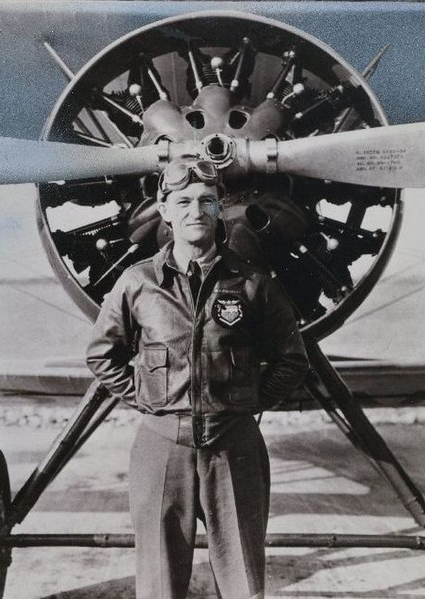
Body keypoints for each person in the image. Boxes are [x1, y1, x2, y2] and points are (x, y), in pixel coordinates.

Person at [86, 159, 309, 599]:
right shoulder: (137, 283)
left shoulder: (252, 283)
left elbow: (291, 359)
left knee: (243, 578)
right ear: (164, 209)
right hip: (161, 448)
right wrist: (150, 400)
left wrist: (248, 402)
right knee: (159, 581)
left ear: (220, 208)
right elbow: (101, 354)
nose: (195, 211)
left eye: (207, 201)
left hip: (235, 447)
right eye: (183, 201)